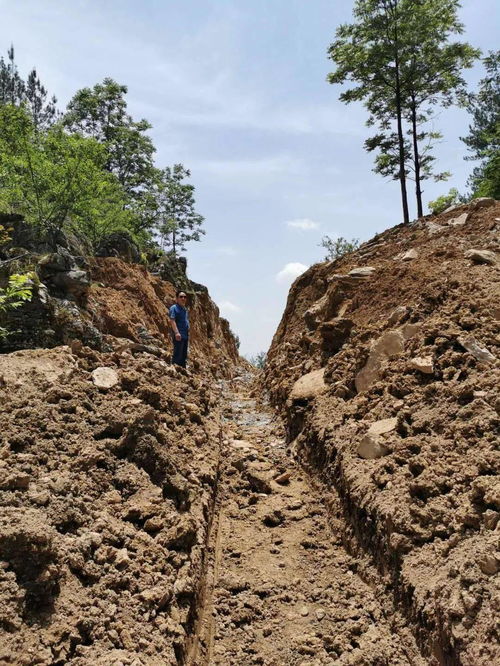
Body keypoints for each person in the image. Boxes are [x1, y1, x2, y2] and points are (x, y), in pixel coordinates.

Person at [169, 290, 190, 367]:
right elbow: (172, 320)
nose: (183, 298)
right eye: (181, 297)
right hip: (178, 335)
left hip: (185, 336)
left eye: (185, 297)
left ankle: (182, 375)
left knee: (183, 356)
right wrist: (177, 333)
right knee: (177, 355)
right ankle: (174, 372)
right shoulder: (174, 308)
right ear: (177, 299)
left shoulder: (184, 309)